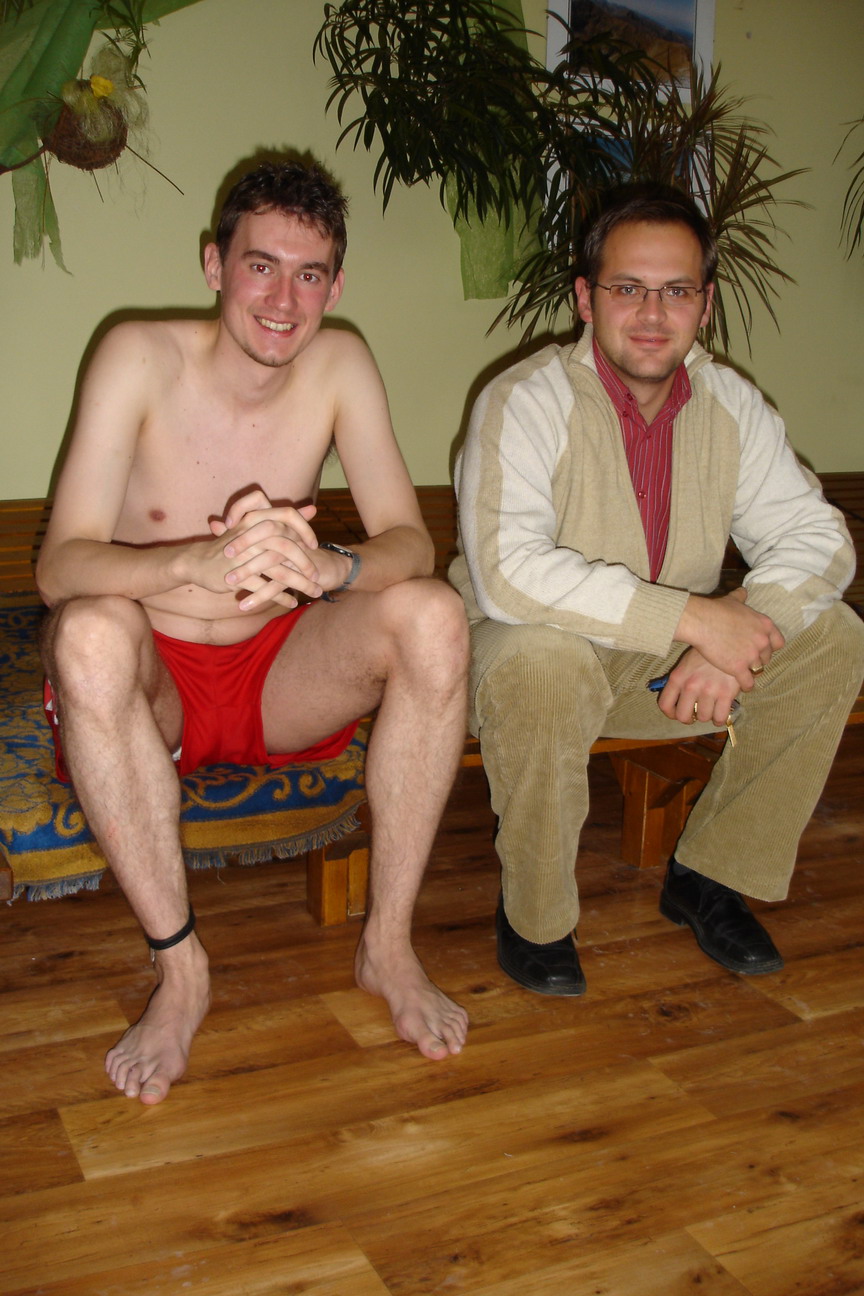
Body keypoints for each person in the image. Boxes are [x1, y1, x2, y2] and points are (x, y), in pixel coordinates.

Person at [36, 158, 470, 1103]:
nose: (283, 300)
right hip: (151, 682)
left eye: (309, 275)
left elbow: (412, 542)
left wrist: (332, 569)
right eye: (260, 266)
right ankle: (180, 971)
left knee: (433, 616)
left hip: (277, 675)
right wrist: (186, 563)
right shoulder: (136, 356)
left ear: (335, 287)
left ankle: (388, 945)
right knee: (88, 634)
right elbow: (59, 567)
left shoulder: (341, 364)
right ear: (215, 265)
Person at [450, 184, 864, 997]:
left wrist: (739, 629)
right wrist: (697, 619)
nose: (651, 313)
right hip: (510, 665)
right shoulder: (523, 400)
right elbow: (508, 575)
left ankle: (710, 877)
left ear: (704, 304)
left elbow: (817, 538)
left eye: (676, 290)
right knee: (543, 660)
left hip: (658, 668)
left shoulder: (731, 405)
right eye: (628, 288)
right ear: (585, 298)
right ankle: (536, 918)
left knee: (835, 638)